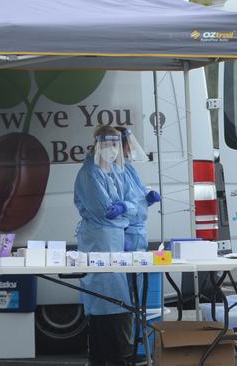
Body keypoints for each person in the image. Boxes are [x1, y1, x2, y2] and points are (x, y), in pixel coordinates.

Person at [73, 125, 138, 366]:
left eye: (115, 145)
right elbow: (103, 209)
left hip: (115, 241)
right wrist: (124, 210)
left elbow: (134, 202)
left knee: (119, 302)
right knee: (103, 304)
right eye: (108, 145)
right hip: (99, 243)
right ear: (99, 145)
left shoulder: (114, 170)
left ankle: (116, 357)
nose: (113, 150)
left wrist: (123, 209)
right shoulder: (90, 174)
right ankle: (106, 359)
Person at [114, 127, 161, 252]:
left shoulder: (128, 168)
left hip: (137, 230)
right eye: (129, 144)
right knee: (129, 269)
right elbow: (113, 202)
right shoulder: (112, 171)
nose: (132, 147)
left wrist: (148, 197)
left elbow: (137, 194)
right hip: (125, 230)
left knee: (139, 268)